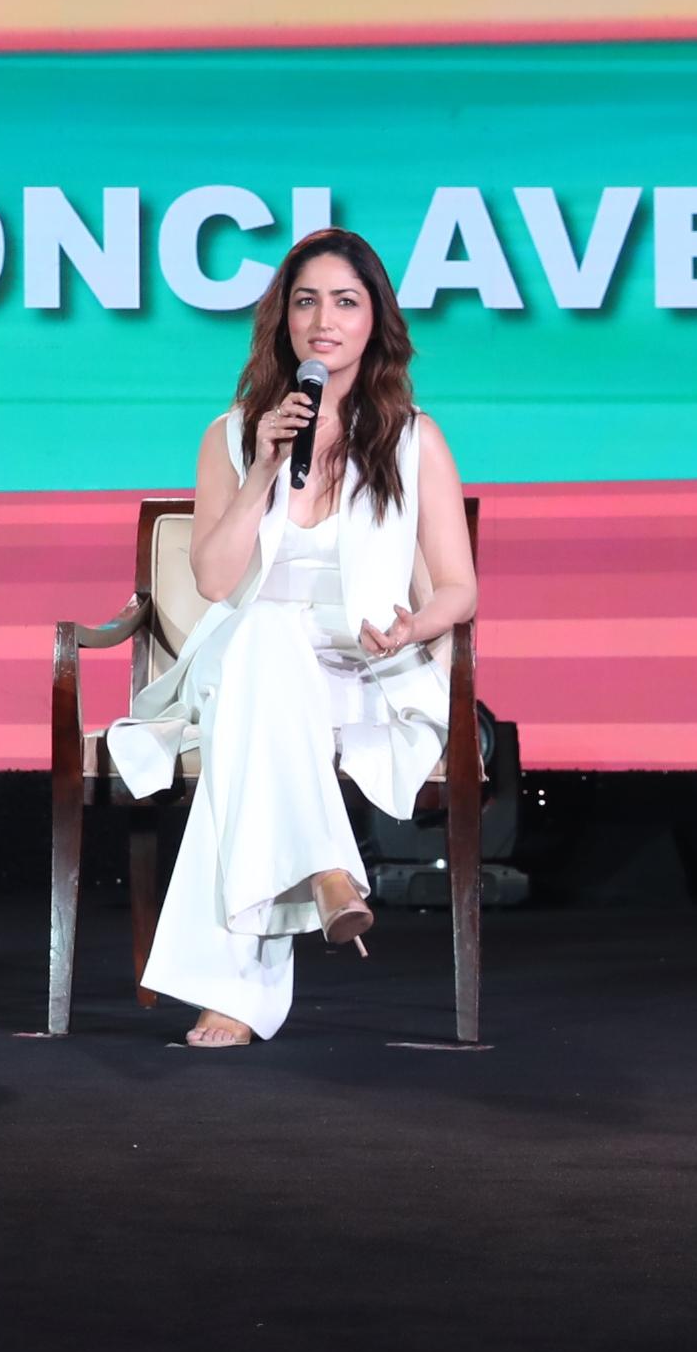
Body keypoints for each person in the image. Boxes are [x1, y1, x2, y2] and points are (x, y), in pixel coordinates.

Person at [106, 228, 479, 1047]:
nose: (323, 321)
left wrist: (414, 625)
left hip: (361, 668)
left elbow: (459, 587)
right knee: (265, 635)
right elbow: (215, 583)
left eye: (345, 302)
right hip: (241, 659)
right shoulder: (231, 435)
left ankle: (236, 993)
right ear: (283, 320)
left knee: (250, 741)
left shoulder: (415, 439)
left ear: (375, 320)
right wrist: (265, 470)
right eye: (306, 302)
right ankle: (326, 868)